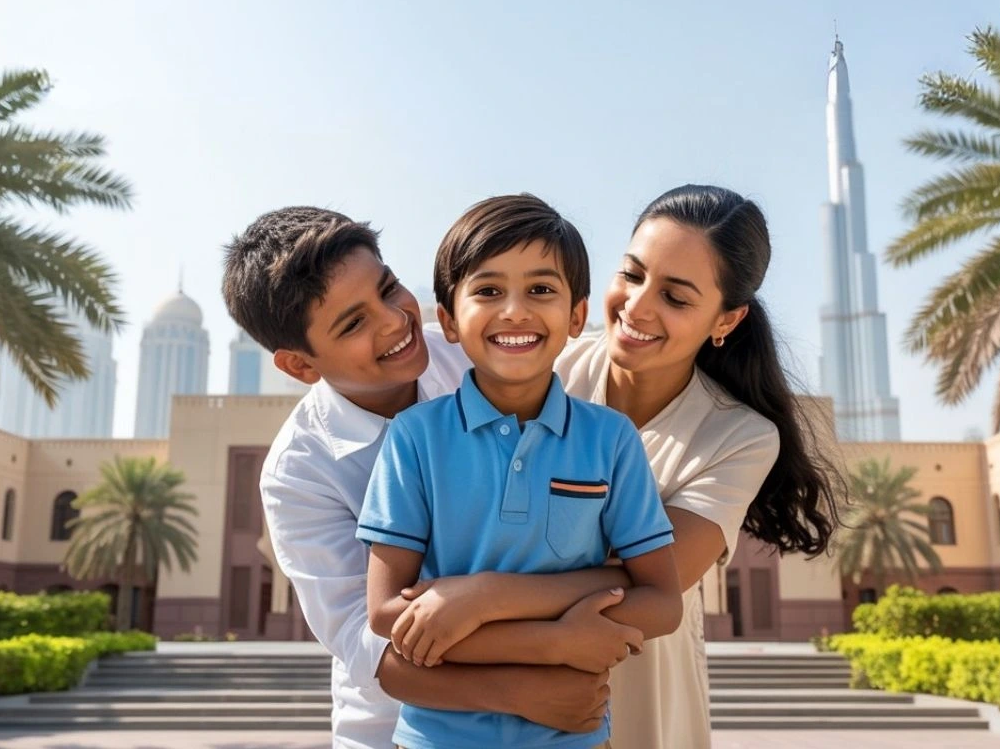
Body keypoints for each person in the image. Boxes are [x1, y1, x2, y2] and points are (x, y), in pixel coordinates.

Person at [384, 184, 842, 749]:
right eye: (632, 274)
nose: (637, 306)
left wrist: (483, 596)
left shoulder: (739, 437)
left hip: (635, 672)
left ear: (726, 319)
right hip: (485, 683)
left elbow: (653, 582)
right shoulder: (539, 355)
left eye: (675, 298)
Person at [227, 206, 629, 749]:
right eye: (353, 323)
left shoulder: (477, 351)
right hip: (395, 730)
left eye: (388, 288)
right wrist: (529, 678)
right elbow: (373, 645)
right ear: (301, 366)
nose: (394, 321)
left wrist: (488, 597)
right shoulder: (299, 474)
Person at [359, 194, 684, 749]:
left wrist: (479, 609)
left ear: (577, 317)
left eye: (541, 290)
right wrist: (554, 643)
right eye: (488, 291)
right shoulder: (414, 437)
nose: (514, 311)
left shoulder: (611, 439)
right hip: (433, 739)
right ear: (449, 320)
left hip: (575, 737)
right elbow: (389, 615)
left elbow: (662, 600)